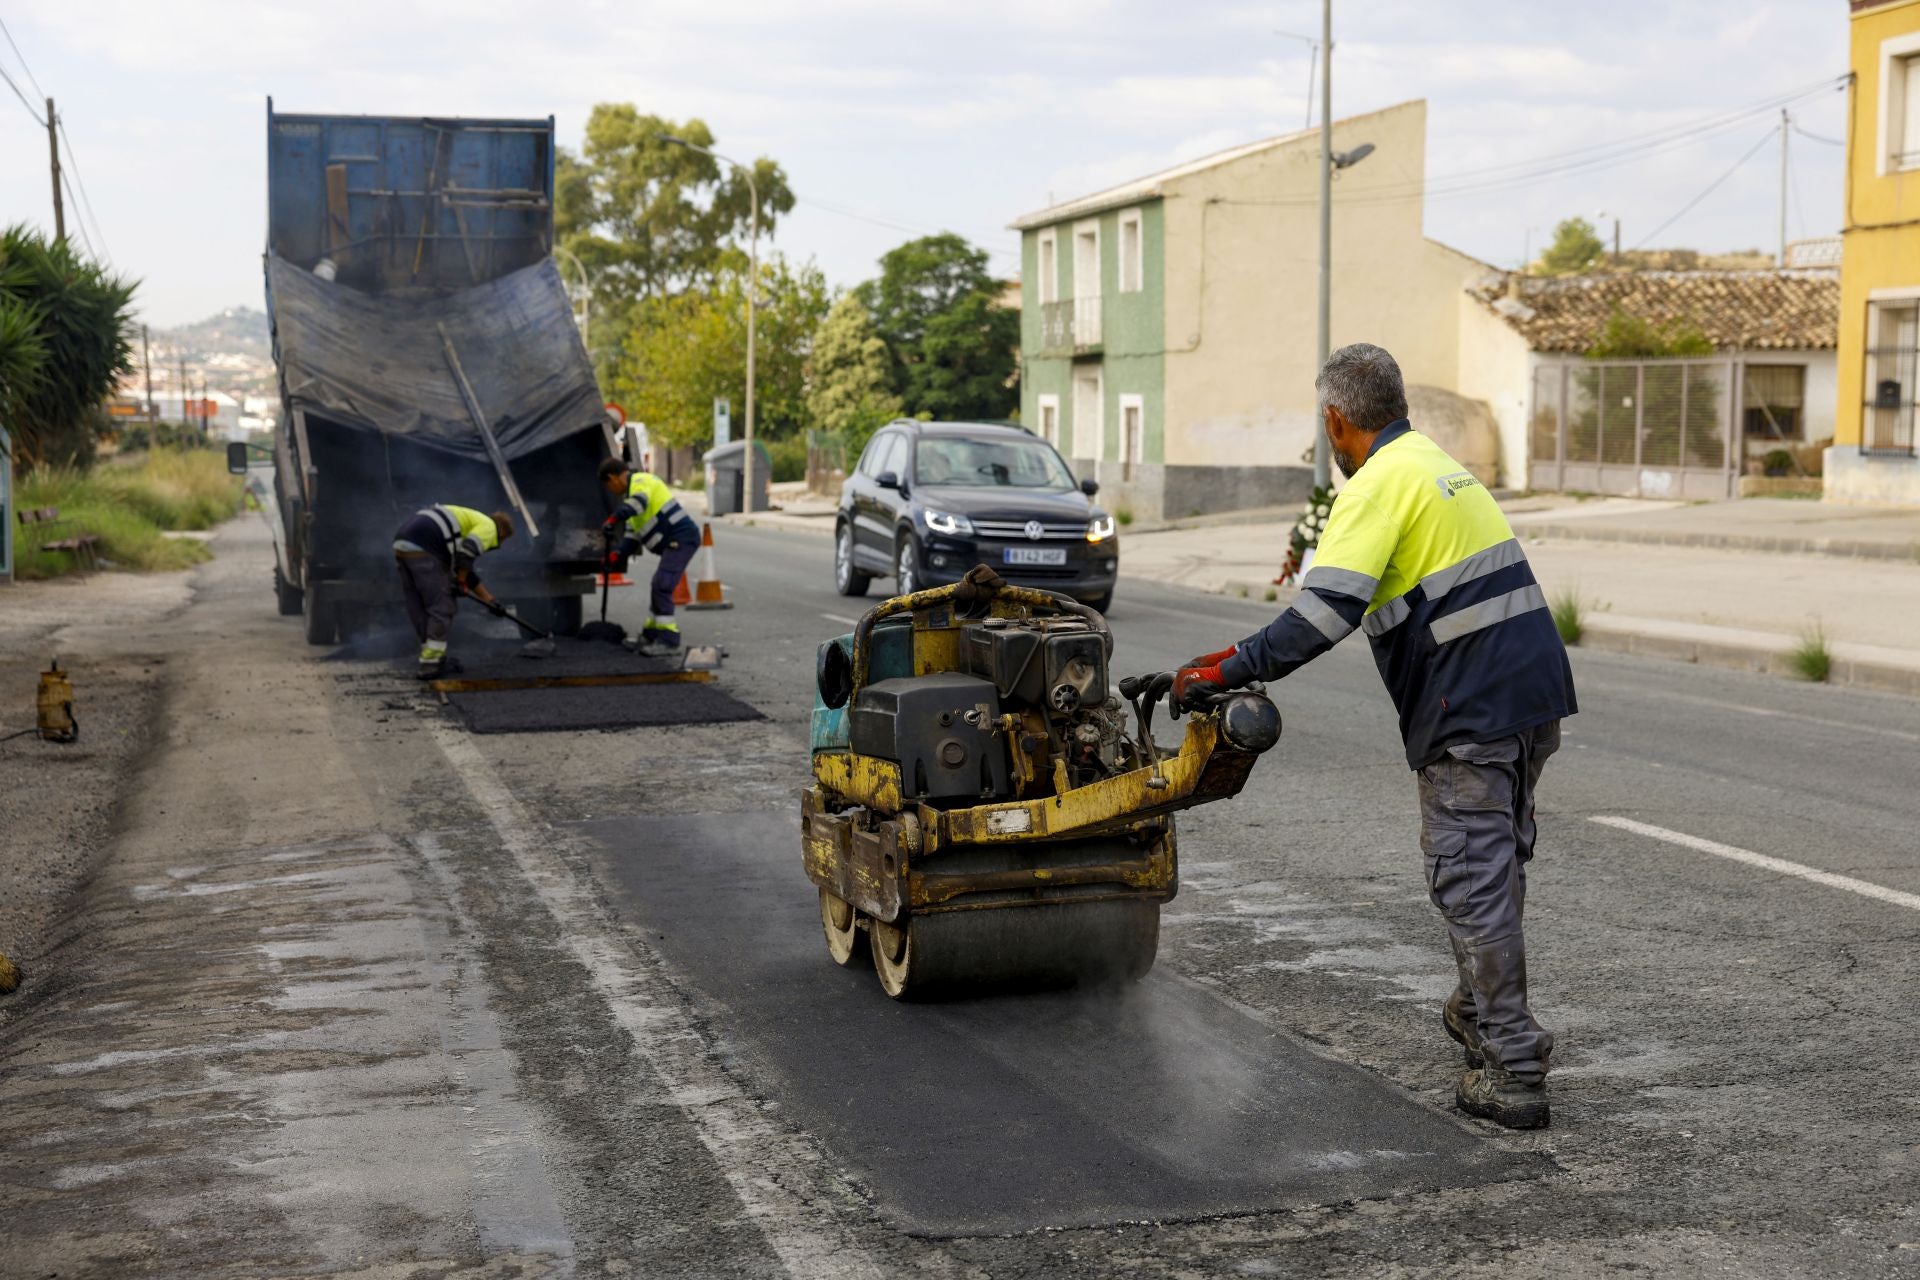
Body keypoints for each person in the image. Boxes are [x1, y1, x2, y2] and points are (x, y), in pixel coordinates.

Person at [1172, 343, 1577, 1129]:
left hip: (1470, 707)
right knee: (1494, 862)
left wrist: (1222, 675)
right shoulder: (1434, 463)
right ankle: (1477, 1007)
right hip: (1532, 696)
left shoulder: (1374, 487)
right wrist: (1232, 655)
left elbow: (1318, 620)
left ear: (1335, 418)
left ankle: (1516, 1069)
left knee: (1470, 875)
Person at [392, 504, 514, 678]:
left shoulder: (470, 521)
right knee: (442, 606)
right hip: (425, 545)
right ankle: (432, 664)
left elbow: (464, 568)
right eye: (502, 541)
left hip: (402, 544)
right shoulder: (489, 527)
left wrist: (490, 600)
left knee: (419, 605)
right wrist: (461, 581)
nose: (498, 544)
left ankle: (432, 659)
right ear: (502, 533)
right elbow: (466, 556)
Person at [598, 456, 702, 649]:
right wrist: (617, 555)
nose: (610, 491)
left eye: (608, 486)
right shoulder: (630, 496)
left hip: (682, 538)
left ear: (613, 478)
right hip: (674, 541)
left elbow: (639, 503)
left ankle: (668, 639)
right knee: (658, 584)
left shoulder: (641, 481)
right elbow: (632, 536)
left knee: (662, 584)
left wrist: (613, 519)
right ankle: (652, 634)